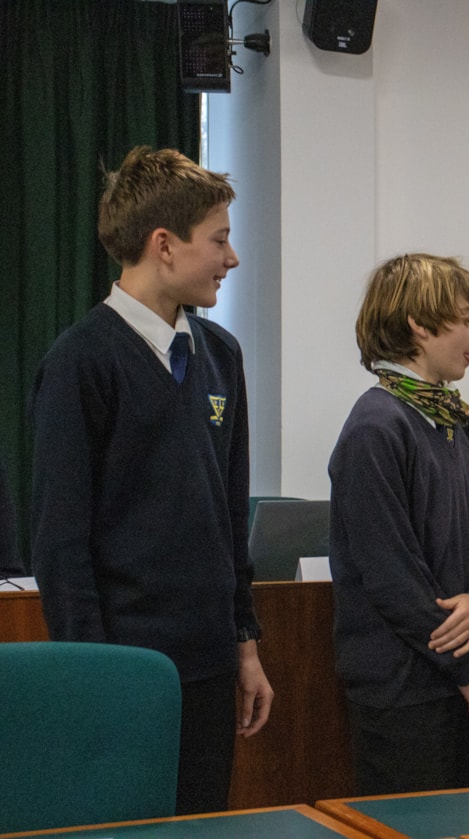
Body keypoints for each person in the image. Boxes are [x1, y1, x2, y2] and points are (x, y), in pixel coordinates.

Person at [30, 146, 273, 815]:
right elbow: (61, 545)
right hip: (127, 672)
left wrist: (244, 644)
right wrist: (99, 680)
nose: (233, 258)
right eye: (219, 239)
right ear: (164, 245)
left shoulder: (221, 354)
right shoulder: (80, 361)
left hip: (210, 667)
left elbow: (230, 517)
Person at [328, 253, 469, 795]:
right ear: (419, 323)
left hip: (456, 675)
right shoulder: (375, 427)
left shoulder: (463, 422)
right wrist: (464, 668)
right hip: (403, 687)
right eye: (464, 319)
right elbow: (392, 577)